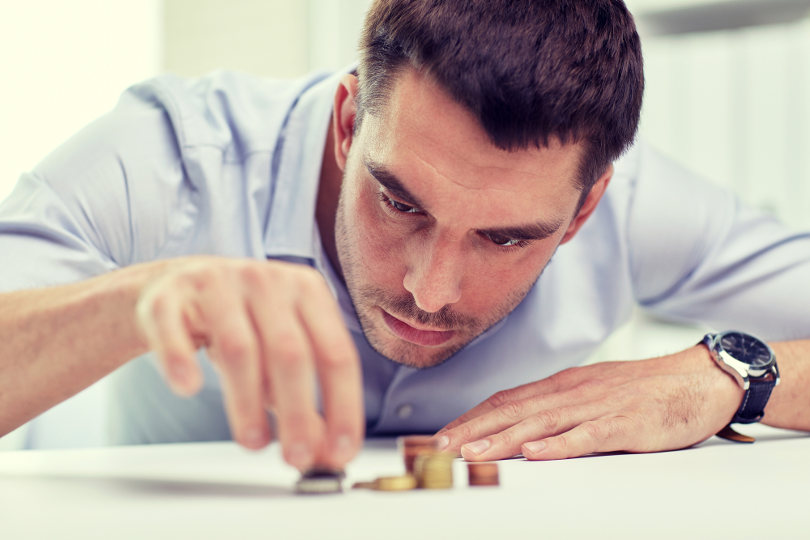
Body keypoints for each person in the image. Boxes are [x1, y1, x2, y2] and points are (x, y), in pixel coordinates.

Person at [1, 0, 808, 472]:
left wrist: (730, 377)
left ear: (586, 210)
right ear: (351, 124)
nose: (429, 290)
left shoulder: (635, 202)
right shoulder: (167, 158)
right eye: (400, 202)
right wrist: (133, 301)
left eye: (503, 240)